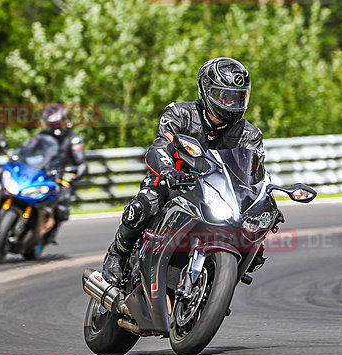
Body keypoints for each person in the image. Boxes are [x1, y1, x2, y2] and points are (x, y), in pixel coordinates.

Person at [101, 57, 275, 285]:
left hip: (219, 195)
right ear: (208, 90)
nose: (232, 104)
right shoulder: (180, 113)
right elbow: (159, 146)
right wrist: (167, 171)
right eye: (226, 96)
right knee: (146, 203)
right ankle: (117, 253)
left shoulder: (250, 134)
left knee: (255, 241)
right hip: (175, 183)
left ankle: (211, 289)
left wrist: (266, 202)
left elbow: (255, 174)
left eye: (238, 97)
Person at [37, 104, 88, 241]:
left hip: (62, 177)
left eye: (57, 123)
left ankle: (50, 232)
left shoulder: (73, 139)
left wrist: (73, 177)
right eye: (52, 124)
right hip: (42, 175)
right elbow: (28, 152)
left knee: (61, 207)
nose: (55, 127)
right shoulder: (41, 137)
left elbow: (81, 162)